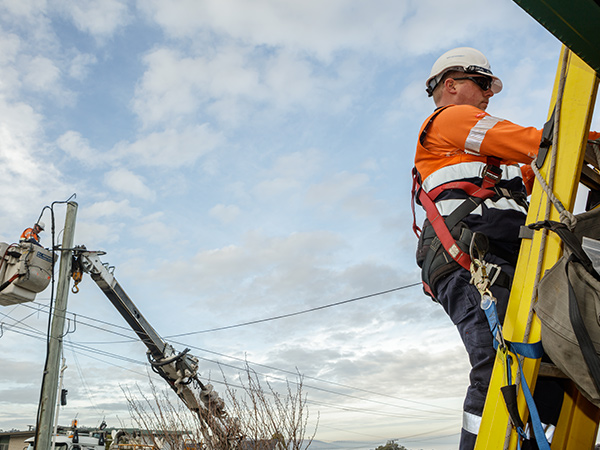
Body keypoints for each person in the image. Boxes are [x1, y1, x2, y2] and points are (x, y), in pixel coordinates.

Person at [412, 47, 599, 449]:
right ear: (452, 85)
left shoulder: (496, 161)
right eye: (482, 85)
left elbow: (546, 167)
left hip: (503, 259)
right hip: (472, 264)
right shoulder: (450, 120)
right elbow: (539, 143)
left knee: (551, 369)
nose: (488, 94)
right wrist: (570, 138)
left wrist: (589, 144)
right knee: (499, 367)